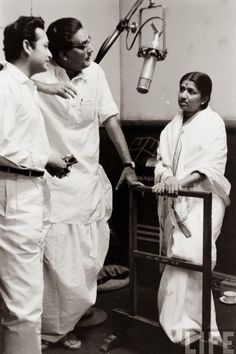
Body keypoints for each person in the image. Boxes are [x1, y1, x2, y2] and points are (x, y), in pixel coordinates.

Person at [33, 17, 141, 350]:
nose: (90, 48)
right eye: (81, 45)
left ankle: (77, 313)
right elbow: (7, 78)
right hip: (57, 185)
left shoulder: (95, 73)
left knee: (90, 256)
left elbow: (108, 118)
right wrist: (44, 86)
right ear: (61, 55)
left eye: (89, 40)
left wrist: (128, 163)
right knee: (60, 263)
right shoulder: (37, 76)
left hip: (90, 183)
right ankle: (55, 328)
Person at [0, 16, 67, 354]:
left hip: (28, 192)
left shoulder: (24, 86)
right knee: (22, 305)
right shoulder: (5, 86)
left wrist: (47, 161)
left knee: (27, 299)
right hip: (15, 196)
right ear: (27, 47)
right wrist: (44, 160)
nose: (50, 52)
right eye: (45, 46)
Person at [152, 72, 231, 346]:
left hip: (205, 199)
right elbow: (161, 163)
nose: (183, 95)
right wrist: (167, 178)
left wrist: (178, 182)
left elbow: (211, 166)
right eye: (182, 89)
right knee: (177, 254)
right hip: (176, 199)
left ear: (205, 98)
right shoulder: (170, 129)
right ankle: (175, 322)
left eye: (191, 91)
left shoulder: (214, 124)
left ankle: (197, 324)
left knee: (194, 255)